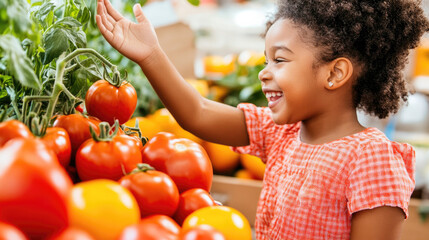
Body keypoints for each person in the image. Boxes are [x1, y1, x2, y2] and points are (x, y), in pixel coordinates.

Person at [96, 0, 429, 239]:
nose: (263, 74)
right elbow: (196, 113)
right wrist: (151, 55)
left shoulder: (372, 159)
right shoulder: (281, 131)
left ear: (335, 72)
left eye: (279, 60)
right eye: (266, 60)